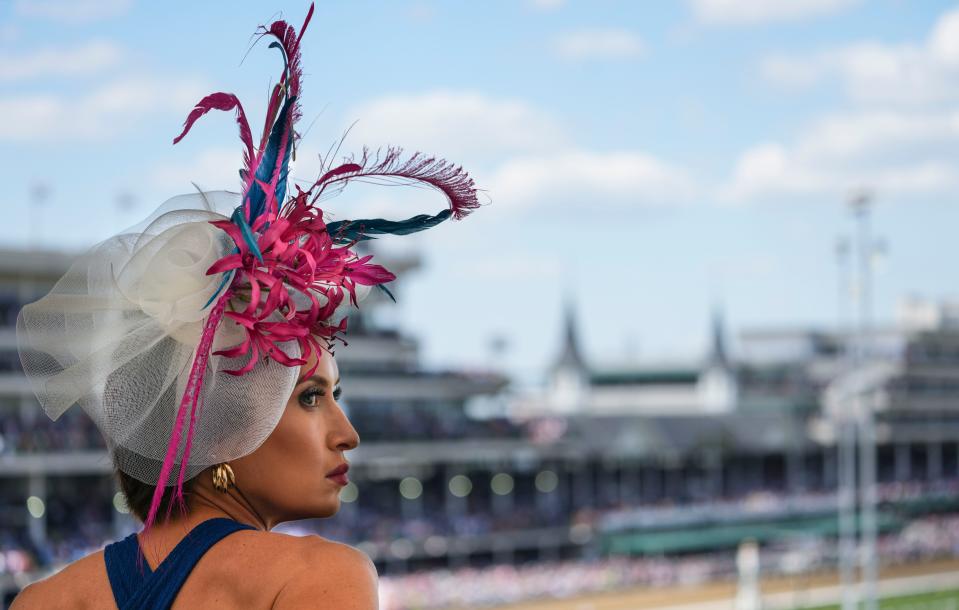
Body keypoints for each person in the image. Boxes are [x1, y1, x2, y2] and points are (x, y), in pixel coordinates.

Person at [11, 4, 481, 608]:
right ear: (225, 427)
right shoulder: (320, 578)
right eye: (310, 397)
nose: (349, 435)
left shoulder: (43, 601)